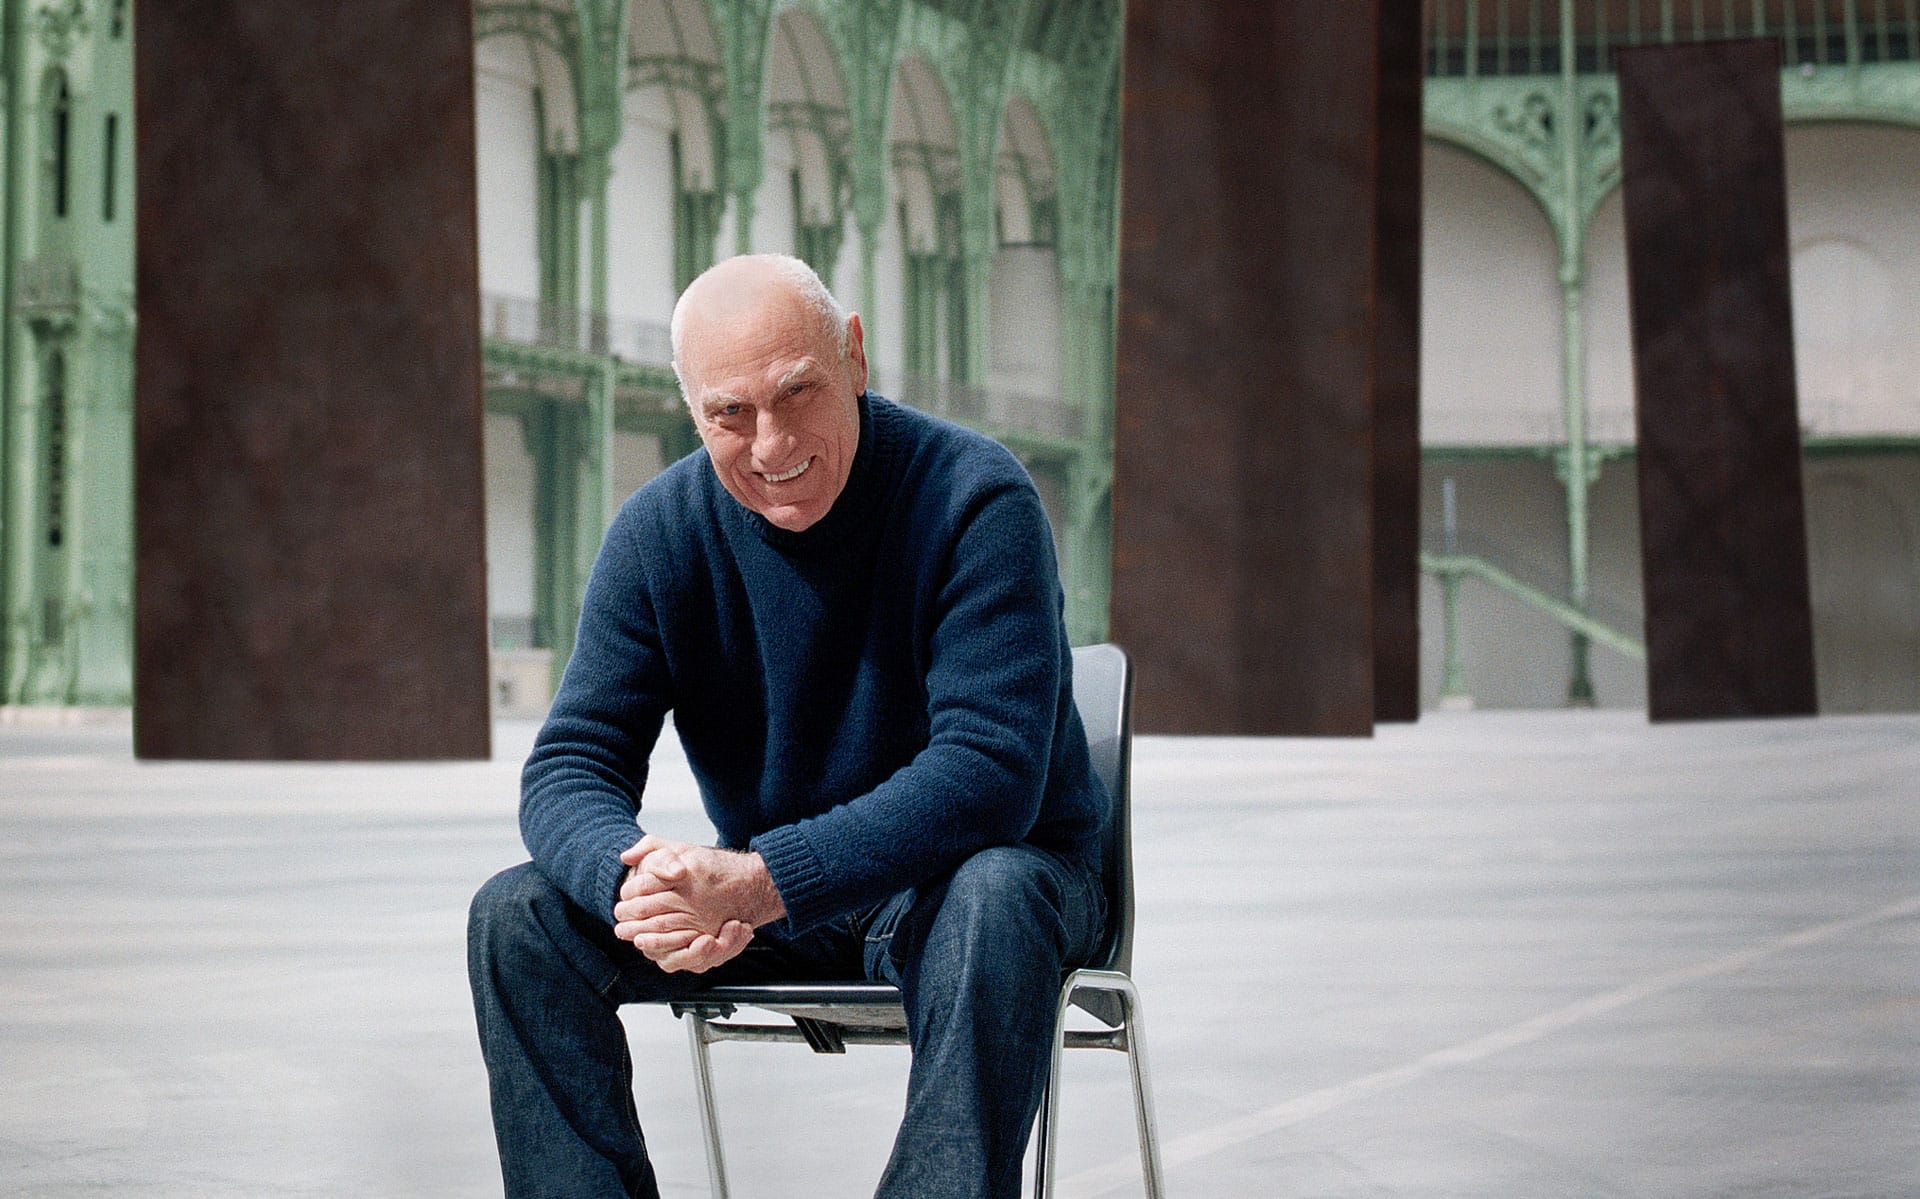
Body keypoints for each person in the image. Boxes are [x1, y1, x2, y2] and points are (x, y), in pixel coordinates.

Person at [467, 253, 1110, 1199]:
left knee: (994, 893)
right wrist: (635, 880)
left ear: (853, 355)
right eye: (730, 413)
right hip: (789, 899)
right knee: (517, 916)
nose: (770, 445)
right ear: (692, 412)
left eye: (797, 392)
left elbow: (990, 775)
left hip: (978, 883)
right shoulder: (659, 534)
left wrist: (761, 883)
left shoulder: (976, 498)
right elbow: (569, 763)